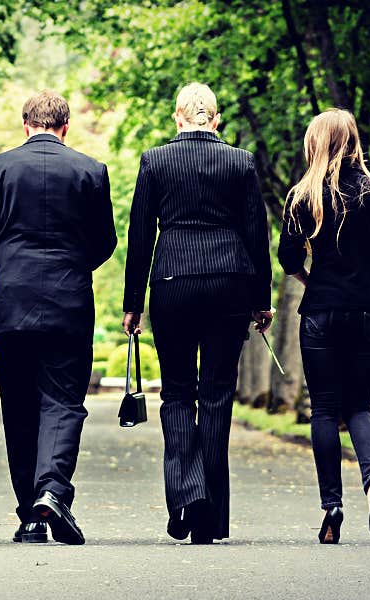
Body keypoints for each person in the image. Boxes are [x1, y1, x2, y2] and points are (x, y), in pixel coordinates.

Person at [122, 83, 273, 545]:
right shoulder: (240, 162)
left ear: (178, 118)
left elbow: (140, 233)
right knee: (217, 395)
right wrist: (261, 299)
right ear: (216, 119)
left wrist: (133, 303)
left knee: (176, 393)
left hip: (172, 282)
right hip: (230, 282)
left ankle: (188, 493)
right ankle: (210, 515)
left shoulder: (156, 160)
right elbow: (256, 232)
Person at [0, 91, 117, 546]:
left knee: (18, 406)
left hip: (12, 298)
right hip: (68, 298)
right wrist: (72, 266)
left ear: (25, 124)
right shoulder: (91, 171)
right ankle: (52, 489)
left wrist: (14, 263)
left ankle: (30, 515)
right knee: (64, 400)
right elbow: (105, 240)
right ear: (66, 126)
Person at [277, 109, 370, 544]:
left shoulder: (302, 195)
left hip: (322, 312)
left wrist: (313, 279)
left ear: (317, 143)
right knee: (360, 407)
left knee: (325, 410)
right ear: (353, 141)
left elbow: (289, 259)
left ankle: (332, 507)